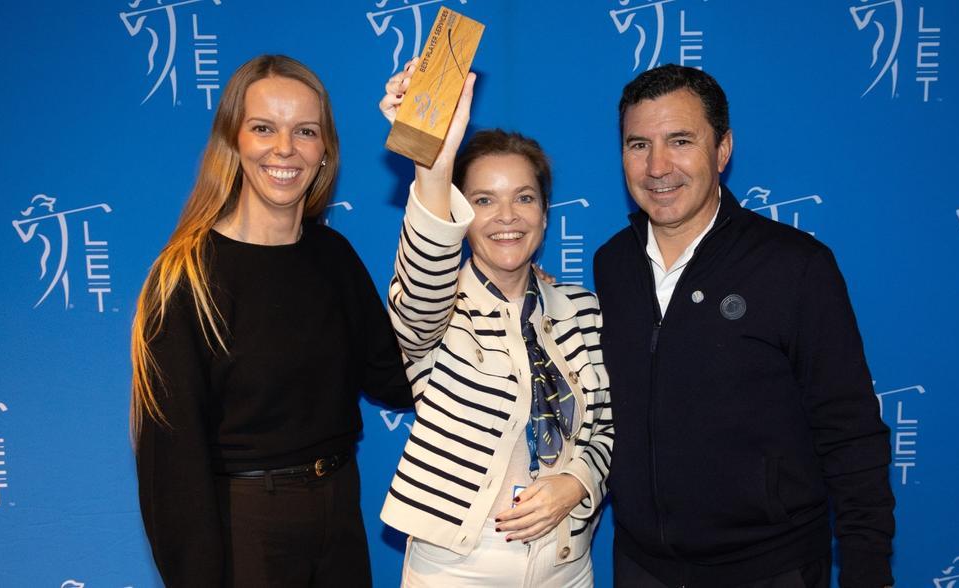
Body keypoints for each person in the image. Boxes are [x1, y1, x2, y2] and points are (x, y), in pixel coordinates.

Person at [594, 64, 896, 588]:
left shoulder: (796, 266)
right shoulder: (611, 265)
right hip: (642, 567)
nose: (657, 166)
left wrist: (867, 572)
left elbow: (850, 432)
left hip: (772, 569)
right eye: (638, 144)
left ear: (723, 148)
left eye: (680, 140)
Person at [130, 54, 411, 587]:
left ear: (325, 151)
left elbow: (397, 380)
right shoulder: (184, 278)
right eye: (264, 128)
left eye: (305, 131)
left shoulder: (333, 256)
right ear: (232, 141)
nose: (285, 149)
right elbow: (172, 467)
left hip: (340, 518)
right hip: (245, 532)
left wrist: (486, 288)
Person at [377, 63, 614, 587]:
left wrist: (576, 481)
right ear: (460, 214)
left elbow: (609, 427)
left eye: (524, 198)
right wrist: (433, 168)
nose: (507, 216)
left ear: (546, 214)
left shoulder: (582, 308)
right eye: (483, 200)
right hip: (457, 567)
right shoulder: (435, 309)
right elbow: (419, 299)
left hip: (566, 566)